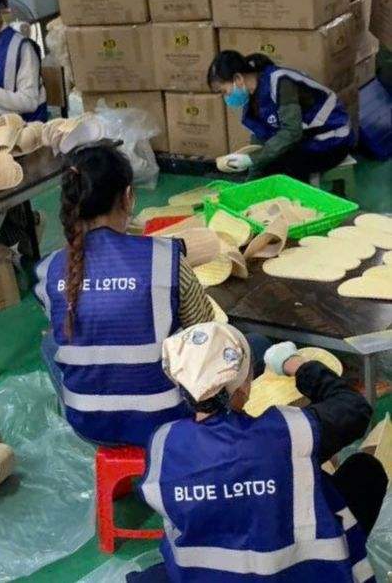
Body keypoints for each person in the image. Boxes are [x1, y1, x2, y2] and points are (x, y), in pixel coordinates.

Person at [34, 143, 271, 447]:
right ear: (128, 197)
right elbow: (206, 333)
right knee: (256, 344)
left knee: (50, 342)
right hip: (165, 419)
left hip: (88, 423)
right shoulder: (163, 258)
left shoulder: (49, 270)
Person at [133, 322, 386, 582]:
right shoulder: (289, 434)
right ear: (244, 384)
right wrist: (295, 364)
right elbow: (354, 407)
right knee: (364, 471)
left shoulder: (164, 443)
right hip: (306, 575)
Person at [208, 51, 355, 181]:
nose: (226, 97)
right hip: (307, 140)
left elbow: (292, 132)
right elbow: (259, 141)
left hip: (333, 138)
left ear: (238, 78)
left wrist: (252, 159)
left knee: (284, 166)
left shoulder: (280, 82)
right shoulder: (252, 99)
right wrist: (251, 180)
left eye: (224, 91)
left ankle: (299, 202)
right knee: (267, 164)